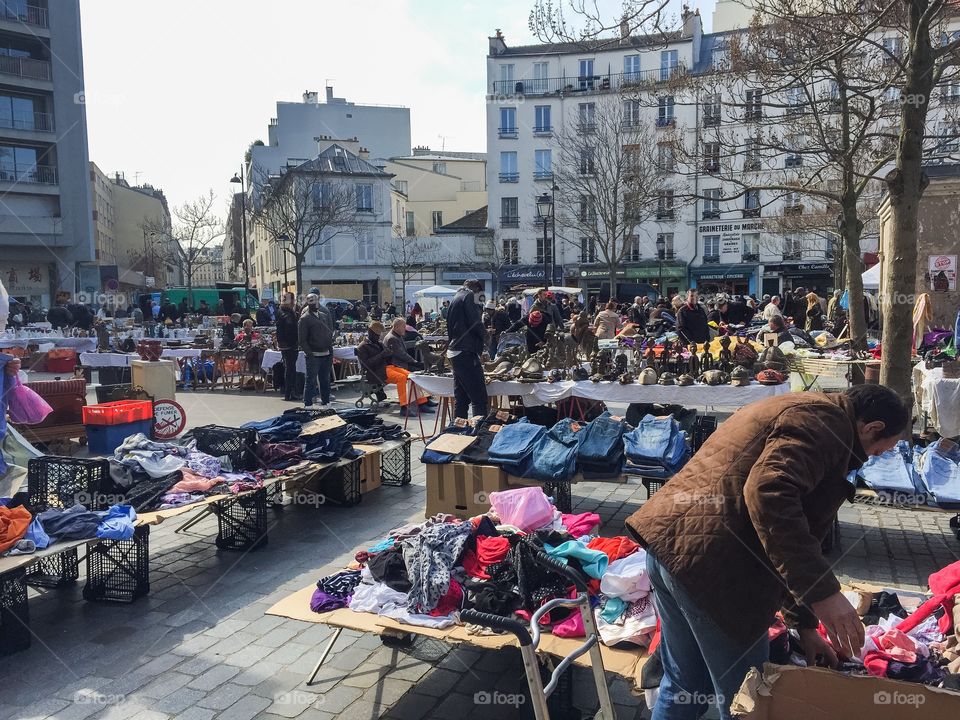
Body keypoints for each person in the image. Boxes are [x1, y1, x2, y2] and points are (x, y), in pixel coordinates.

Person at [627, 385, 910, 720]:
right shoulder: (827, 422)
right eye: (880, 449)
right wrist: (824, 594)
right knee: (748, 699)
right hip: (713, 569)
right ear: (872, 428)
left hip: (673, 550)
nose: (875, 457)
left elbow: (795, 531)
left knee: (685, 684)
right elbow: (769, 493)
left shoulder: (807, 408)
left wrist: (804, 623)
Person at [446, 279, 488, 419]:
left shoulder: (456, 297)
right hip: (465, 351)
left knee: (462, 399)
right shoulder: (469, 296)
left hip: (455, 350)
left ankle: (458, 431)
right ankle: (480, 434)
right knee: (479, 399)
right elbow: (476, 322)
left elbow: (450, 327)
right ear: (475, 288)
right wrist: (484, 337)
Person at [383, 317, 433, 417]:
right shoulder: (392, 338)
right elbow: (401, 354)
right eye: (403, 326)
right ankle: (420, 402)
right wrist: (415, 362)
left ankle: (423, 400)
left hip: (400, 364)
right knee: (417, 373)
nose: (405, 328)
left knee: (417, 374)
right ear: (396, 327)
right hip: (397, 364)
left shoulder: (397, 336)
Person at [298, 293, 334, 408]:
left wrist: (330, 349)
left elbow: (329, 331)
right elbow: (302, 340)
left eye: (317, 300)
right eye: (313, 301)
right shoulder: (304, 319)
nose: (316, 303)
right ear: (308, 303)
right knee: (311, 381)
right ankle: (308, 404)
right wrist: (310, 354)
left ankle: (326, 402)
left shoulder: (323, 315)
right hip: (314, 354)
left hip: (326, 353)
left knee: (325, 380)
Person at [275, 292, 300, 401]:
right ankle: (290, 393)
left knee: (289, 368)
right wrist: (295, 342)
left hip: (285, 344)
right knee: (290, 369)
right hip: (289, 345)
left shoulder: (281, 311)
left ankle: (289, 392)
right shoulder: (287, 313)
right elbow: (290, 329)